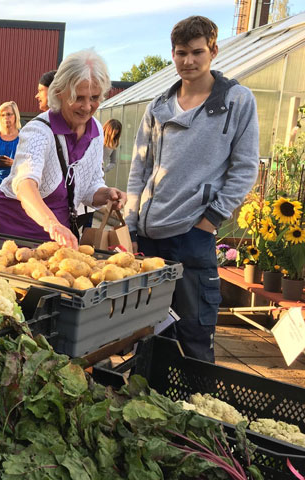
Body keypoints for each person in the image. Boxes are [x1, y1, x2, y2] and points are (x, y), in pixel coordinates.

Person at [124, 16, 259, 362]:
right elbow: (140, 167)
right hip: (149, 238)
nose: (189, 61)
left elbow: (244, 169)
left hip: (192, 235)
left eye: (197, 52)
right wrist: (131, 224)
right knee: (146, 335)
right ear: (173, 54)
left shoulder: (237, 102)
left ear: (213, 51)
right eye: (181, 53)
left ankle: (198, 407)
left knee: (194, 337)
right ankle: (142, 409)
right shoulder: (158, 107)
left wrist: (209, 222)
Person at [0, 50, 125, 246]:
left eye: (94, 98)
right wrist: (51, 223)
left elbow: (89, 185)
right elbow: (25, 183)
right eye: (78, 97)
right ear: (59, 93)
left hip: (57, 233)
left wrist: (107, 193)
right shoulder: (39, 130)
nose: (86, 107)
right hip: (12, 226)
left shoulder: (96, 132)